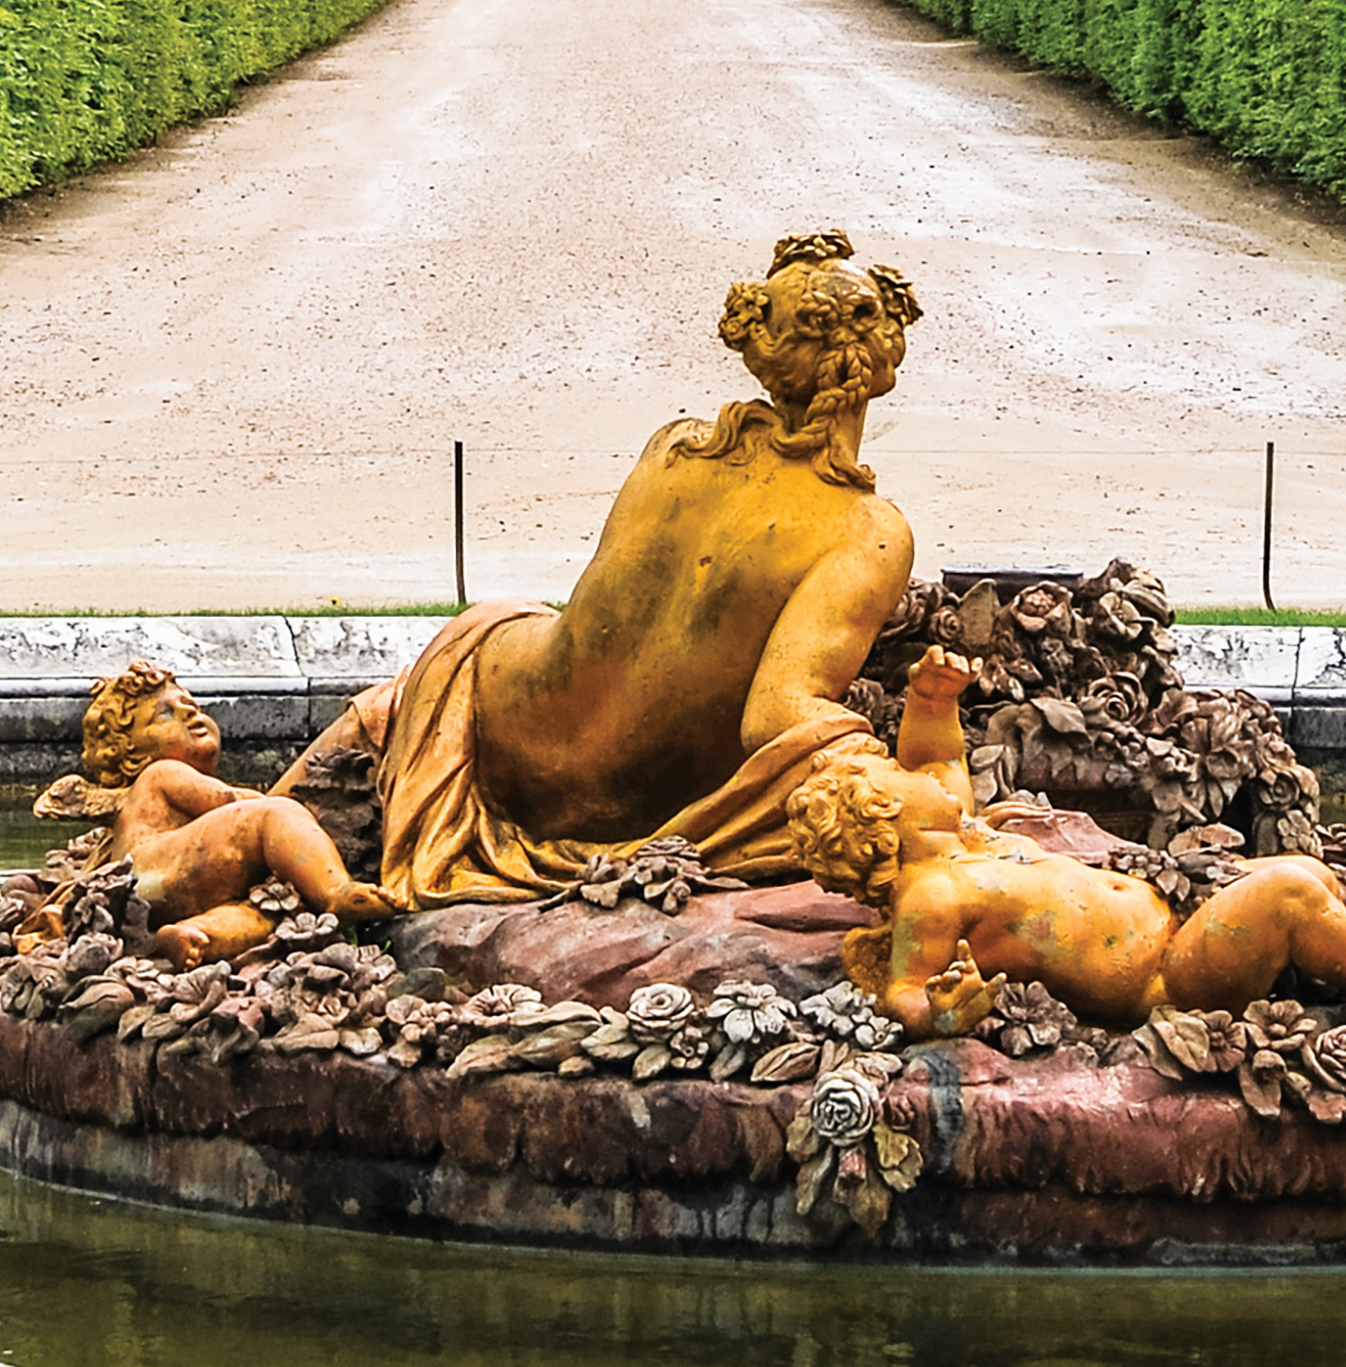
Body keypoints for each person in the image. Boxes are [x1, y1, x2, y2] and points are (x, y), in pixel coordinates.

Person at [274, 231, 923, 902]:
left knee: (462, 649)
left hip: (499, 712)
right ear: (881, 360)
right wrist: (905, 779)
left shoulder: (677, 446)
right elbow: (775, 717)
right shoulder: (867, 531)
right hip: (620, 807)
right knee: (470, 652)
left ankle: (255, 817)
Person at [784, 720, 1346, 1035]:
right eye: (906, 777)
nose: (928, 775)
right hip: (1165, 975)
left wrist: (935, 696)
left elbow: (942, 755)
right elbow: (904, 988)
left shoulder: (966, 838)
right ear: (885, 815)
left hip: (1179, 913)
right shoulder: (932, 894)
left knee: (1307, 870)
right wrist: (943, 1011)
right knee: (1290, 893)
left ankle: (1311, 968)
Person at [34, 662, 389, 963]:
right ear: (130, 755)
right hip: (153, 868)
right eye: (165, 712)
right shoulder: (160, 773)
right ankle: (337, 891)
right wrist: (290, 803)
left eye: (194, 705)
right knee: (275, 813)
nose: (191, 712)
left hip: (154, 896)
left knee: (269, 911)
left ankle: (194, 934)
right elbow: (230, 802)